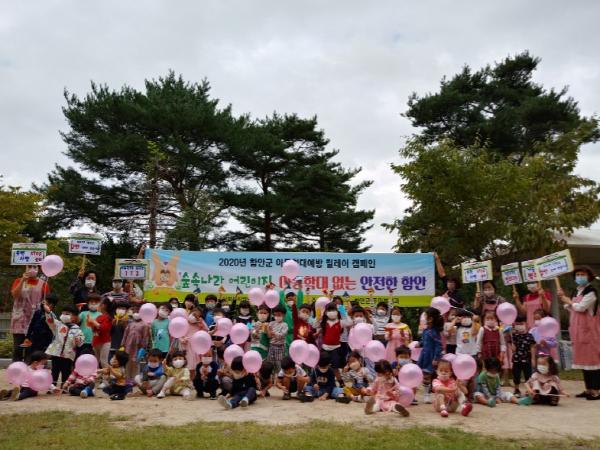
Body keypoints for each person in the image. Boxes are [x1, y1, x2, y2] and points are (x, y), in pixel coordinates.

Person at [558, 266, 600, 400]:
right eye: (577, 274)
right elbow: (571, 308)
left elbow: (581, 307)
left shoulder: (591, 292)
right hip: (578, 331)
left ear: (589, 276)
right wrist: (564, 298)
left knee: (593, 362)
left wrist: (568, 301)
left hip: (589, 331)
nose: (579, 277)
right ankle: (588, 389)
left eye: (582, 274)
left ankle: (596, 390)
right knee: (584, 361)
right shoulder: (576, 291)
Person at [10, 264, 49, 361]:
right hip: (19, 319)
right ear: (25, 268)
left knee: (31, 350)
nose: (32, 269)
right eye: (29, 266)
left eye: (35, 267)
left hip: (35, 321)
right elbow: (14, 295)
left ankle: (30, 369)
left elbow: (47, 301)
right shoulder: (18, 281)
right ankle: (16, 368)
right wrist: (23, 280)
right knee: (18, 348)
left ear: (38, 269)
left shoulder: (44, 284)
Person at [45, 304, 84, 386]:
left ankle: (64, 387)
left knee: (66, 372)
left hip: (68, 355)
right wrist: (48, 312)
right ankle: (52, 387)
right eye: (63, 313)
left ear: (74, 317)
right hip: (56, 353)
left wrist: (78, 340)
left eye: (67, 314)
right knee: (54, 371)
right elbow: (50, 320)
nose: (64, 315)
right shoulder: (58, 325)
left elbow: (80, 341)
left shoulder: (77, 329)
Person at [317, 302, 352, 383]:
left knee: (335, 367)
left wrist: (343, 312)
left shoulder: (340, 322)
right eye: (329, 310)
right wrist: (318, 317)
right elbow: (314, 325)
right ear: (326, 312)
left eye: (333, 310)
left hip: (335, 349)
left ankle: (341, 383)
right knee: (322, 366)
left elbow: (349, 323)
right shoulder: (323, 322)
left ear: (337, 311)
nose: (331, 312)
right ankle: (322, 382)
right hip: (324, 348)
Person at [416, 307, 443, 403]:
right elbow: (424, 341)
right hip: (424, 355)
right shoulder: (426, 330)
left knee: (428, 375)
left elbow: (439, 345)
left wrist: (436, 358)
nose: (424, 318)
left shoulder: (434, 332)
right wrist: (420, 344)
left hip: (430, 357)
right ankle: (420, 393)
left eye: (425, 316)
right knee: (422, 374)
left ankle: (427, 394)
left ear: (430, 319)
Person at [121, 303, 150, 379]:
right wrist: (123, 343)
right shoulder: (130, 323)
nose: (136, 313)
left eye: (138, 311)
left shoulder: (145, 325)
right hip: (128, 345)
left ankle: (135, 378)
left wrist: (143, 347)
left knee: (136, 362)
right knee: (128, 361)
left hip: (138, 346)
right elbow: (125, 334)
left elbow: (145, 337)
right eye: (134, 311)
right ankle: (127, 378)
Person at [511, 315, 536, 397]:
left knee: (528, 375)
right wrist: (512, 341)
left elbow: (532, 347)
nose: (519, 326)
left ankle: (528, 390)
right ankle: (516, 389)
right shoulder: (514, 336)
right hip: (516, 359)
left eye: (521, 324)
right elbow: (513, 349)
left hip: (527, 359)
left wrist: (533, 359)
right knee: (516, 375)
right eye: (517, 324)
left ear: (526, 324)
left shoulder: (530, 336)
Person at [89, 298, 112, 368]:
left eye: (99, 304)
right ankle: (96, 374)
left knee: (103, 361)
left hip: (104, 342)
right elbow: (94, 330)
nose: (97, 306)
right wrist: (92, 324)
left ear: (103, 305)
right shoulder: (99, 317)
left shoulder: (108, 317)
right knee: (95, 361)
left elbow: (104, 328)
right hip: (96, 341)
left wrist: (93, 322)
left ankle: (106, 375)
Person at [266, 305, 289, 376]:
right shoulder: (271, 323)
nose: (277, 317)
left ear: (284, 315)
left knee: (279, 364)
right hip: (271, 346)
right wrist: (269, 330)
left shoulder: (285, 325)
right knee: (270, 363)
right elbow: (269, 336)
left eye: (279, 315)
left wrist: (272, 333)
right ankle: (272, 377)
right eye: (275, 315)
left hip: (280, 347)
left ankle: (280, 378)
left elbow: (281, 335)